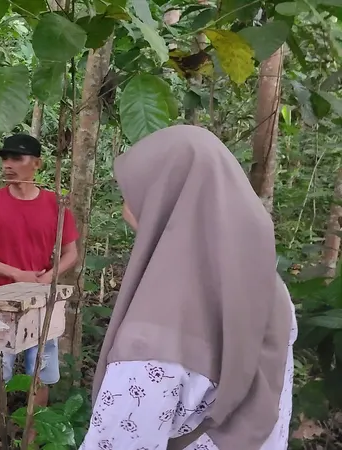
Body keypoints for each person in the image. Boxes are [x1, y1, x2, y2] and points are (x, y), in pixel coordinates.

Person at [81, 125, 296, 450]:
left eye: (137, 192)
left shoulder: (150, 341)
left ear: (169, 200)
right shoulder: (271, 289)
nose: (126, 204)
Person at [0, 133, 80, 450]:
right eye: (5, 158)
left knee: (39, 373)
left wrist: (49, 276)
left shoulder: (56, 204)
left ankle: (30, 439)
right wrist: (17, 274)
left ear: (37, 164)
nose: (8, 165)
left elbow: (72, 252)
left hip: (41, 303)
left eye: (17, 158)